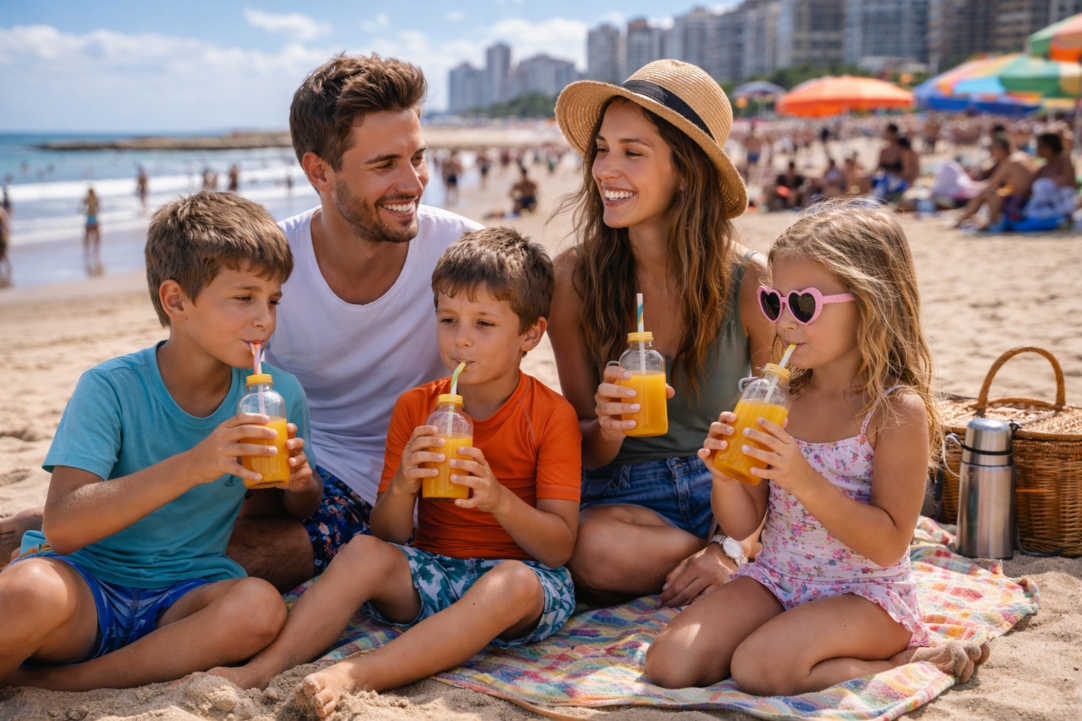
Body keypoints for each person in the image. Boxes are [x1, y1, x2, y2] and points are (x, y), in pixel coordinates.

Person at [210, 228, 581, 718]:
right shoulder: (416, 407)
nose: (461, 338)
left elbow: (558, 548)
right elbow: (389, 536)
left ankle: (359, 673)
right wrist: (405, 483)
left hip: (521, 585)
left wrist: (498, 499)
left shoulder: (552, 415)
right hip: (433, 572)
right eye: (447, 319)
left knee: (511, 583)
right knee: (362, 550)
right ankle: (267, 668)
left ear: (530, 335)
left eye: (484, 324)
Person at [645, 202, 991, 694]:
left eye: (803, 305)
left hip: (866, 595)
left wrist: (802, 479)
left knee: (759, 668)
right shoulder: (781, 397)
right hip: (777, 576)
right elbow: (746, 524)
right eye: (773, 303)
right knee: (669, 664)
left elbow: (888, 542)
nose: (784, 322)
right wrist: (725, 474)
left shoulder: (894, 410)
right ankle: (795, 642)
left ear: (870, 302)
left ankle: (907, 658)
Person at [0, 191, 320, 690]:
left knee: (258, 607)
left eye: (273, 300)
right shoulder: (111, 386)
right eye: (244, 298)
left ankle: (62, 684)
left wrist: (300, 483)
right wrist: (197, 463)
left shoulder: (279, 393)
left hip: (186, 597)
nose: (265, 319)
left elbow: (298, 509)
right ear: (177, 301)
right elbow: (62, 525)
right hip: (86, 582)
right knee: (24, 593)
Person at [235, 54, 483, 592]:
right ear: (319, 171)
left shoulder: (462, 253)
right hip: (281, 468)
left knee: (240, 559)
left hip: (384, 486)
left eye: (418, 158)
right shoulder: (269, 264)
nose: (413, 182)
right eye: (384, 164)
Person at [549, 60, 774, 608]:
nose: (605, 168)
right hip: (625, 498)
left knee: (589, 555)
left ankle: (733, 557)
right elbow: (583, 452)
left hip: (726, 487)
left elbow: (777, 428)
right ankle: (751, 559)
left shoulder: (750, 280)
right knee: (586, 547)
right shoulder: (572, 280)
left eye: (633, 151)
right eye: (602, 148)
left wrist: (729, 543)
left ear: (687, 170)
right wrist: (607, 426)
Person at [953, 135, 1036, 229]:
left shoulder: (1009, 161)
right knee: (996, 192)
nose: (991, 153)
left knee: (986, 193)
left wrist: (970, 185)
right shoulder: (1022, 155)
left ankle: (982, 222)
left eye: (992, 150)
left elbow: (992, 183)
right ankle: (970, 219)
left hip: (1019, 200)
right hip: (1028, 198)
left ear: (1000, 149)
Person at [81, 187, 101, 261]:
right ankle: (96, 250)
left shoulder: (86, 198)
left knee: (87, 236)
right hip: (94, 218)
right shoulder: (96, 198)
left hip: (89, 218)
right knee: (97, 235)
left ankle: (87, 251)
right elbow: (98, 208)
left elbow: (82, 208)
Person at [0, 205, 11, 287]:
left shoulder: (1, 210)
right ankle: (9, 267)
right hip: (4, 234)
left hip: (2, 235)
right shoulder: (2, 210)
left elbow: (5, 222)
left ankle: (9, 267)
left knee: (3, 252)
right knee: (3, 253)